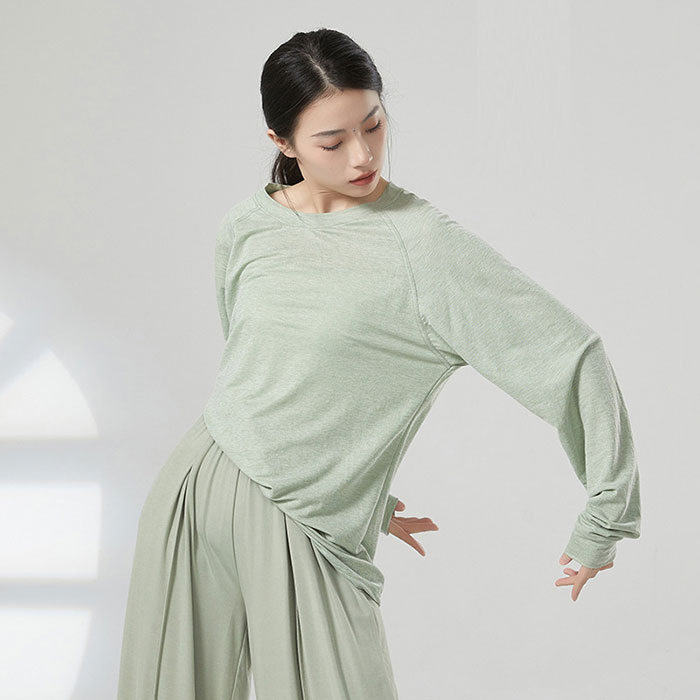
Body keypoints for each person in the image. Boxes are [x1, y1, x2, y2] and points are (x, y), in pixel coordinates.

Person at [116, 27, 641, 700]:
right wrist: (374, 497)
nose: (363, 155)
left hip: (308, 524)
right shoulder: (246, 226)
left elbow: (571, 353)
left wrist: (605, 515)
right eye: (332, 141)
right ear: (282, 142)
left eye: (373, 124)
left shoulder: (424, 246)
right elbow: (258, 378)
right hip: (194, 493)